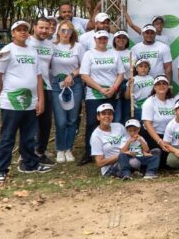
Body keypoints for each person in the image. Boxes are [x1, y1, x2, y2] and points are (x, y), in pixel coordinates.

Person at [0, 20, 52, 183]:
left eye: (25, 29)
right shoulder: (7, 51)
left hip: (31, 102)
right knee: (8, 137)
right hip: (12, 102)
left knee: (29, 136)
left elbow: (39, 77)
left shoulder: (32, 51)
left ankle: (30, 164)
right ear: (13, 33)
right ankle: (1, 170)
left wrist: (40, 100)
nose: (23, 32)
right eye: (19, 30)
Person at [79, 30, 125, 165]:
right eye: (99, 39)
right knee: (92, 123)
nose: (102, 41)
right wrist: (100, 89)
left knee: (111, 121)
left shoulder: (114, 53)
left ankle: (111, 152)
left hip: (111, 92)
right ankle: (89, 153)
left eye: (104, 38)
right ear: (95, 40)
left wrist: (114, 88)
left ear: (108, 40)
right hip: (94, 94)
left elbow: (120, 73)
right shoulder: (89, 54)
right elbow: (84, 75)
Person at [50, 20, 85, 163]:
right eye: (63, 30)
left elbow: (83, 66)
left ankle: (68, 148)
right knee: (61, 120)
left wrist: (72, 74)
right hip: (57, 85)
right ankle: (60, 149)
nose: (65, 33)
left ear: (72, 33)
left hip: (74, 84)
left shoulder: (78, 47)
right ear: (58, 32)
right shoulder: (52, 46)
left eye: (68, 31)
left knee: (72, 119)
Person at [26, 17, 55, 166]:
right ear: (34, 27)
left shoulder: (50, 45)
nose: (44, 31)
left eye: (47, 28)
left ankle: (40, 152)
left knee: (45, 123)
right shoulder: (27, 42)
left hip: (46, 87)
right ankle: (27, 153)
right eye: (41, 27)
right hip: (29, 88)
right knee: (30, 122)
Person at [141, 75, 176, 167]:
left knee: (172, 162)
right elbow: (147, 124)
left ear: (168, 86)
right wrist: (160, 141)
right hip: (154, 136)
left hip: (169, 136)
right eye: (158, 84)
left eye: (164, 83)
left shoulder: (173, 101)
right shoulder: (149, 102)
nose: (161, 86)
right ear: (154, 87)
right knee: (164, 163)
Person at [113, 30, 132, 124]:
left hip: (128, 84)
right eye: (119, 37)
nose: (121, 39)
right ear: (114, 40)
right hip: (114, 85)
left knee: (127, 112)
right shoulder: (110, 53)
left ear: (127, 40)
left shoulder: (131, 53)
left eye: (124, 38)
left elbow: (135, 69)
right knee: (117, 113)